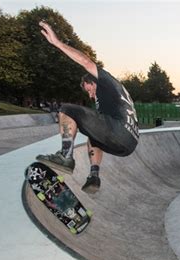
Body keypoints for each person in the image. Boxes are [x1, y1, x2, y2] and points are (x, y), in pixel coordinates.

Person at [36, 21, 139, 194]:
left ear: (92, 81)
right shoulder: (115, 96)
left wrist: (58, 43)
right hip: (128, 144)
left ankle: (65, 156)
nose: (90, 95)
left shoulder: (105, 81)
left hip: (118, 129)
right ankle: (94, 176)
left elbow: (86, 61)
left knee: (67, 109)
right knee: (94, 135)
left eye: (89, 89)